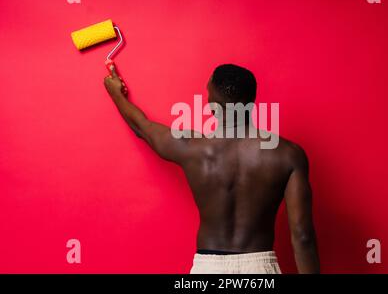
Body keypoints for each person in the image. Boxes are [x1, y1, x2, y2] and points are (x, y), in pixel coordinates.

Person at [104, 63, 320, 273]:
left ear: (211, 105)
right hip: (260, 268)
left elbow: (142, 127)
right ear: (252, 102)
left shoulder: (191, 147)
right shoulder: (288, 154)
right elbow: (302, 235)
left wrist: (115, 93)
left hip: (208, 269)